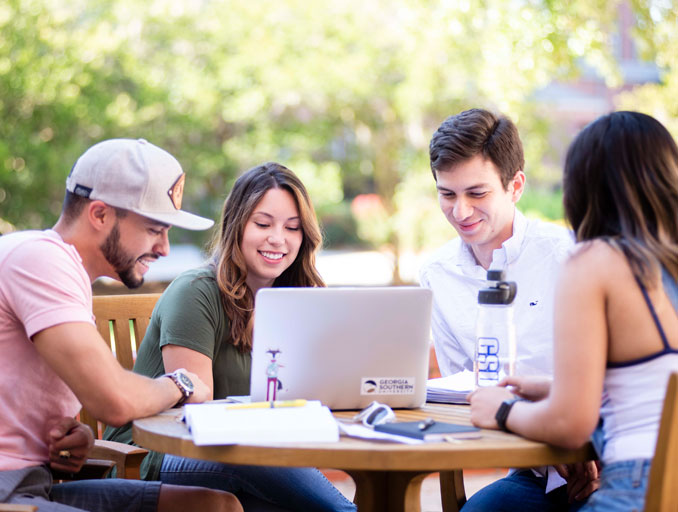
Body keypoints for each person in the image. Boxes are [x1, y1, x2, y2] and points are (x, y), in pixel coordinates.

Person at [0, 138, 242, 512]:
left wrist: (73, 441)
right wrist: (179, 382)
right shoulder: (39, 259)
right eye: (153, 229)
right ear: (99, 215)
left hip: (35, 486)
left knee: (215, 506)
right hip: (8, 492)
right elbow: (115, 401)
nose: (164, 248)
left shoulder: (65, 275)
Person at [105, 162, 357, 512]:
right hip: (156, 452)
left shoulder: (296, 299)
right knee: (262, 469)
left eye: (293, 228)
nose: (278, 239)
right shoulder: (196, 292)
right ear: (237, 225)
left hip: (249, 452)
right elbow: (194, 409)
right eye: (263, 224)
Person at [468, 111, 678, 511]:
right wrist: (551, 387)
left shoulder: (592, 263)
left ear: (583, 187)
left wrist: (502, 410)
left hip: (637, 486)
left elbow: (571, 424)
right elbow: (652, 385)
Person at [419, 109, 596, 510]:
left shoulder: (571, 255)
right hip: (532, 472)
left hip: (604, 459)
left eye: (477, 193)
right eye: (447, 194)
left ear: (515, 186)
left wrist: (581, 443)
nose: (460, 212)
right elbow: (467, 397)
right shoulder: (436, 275)